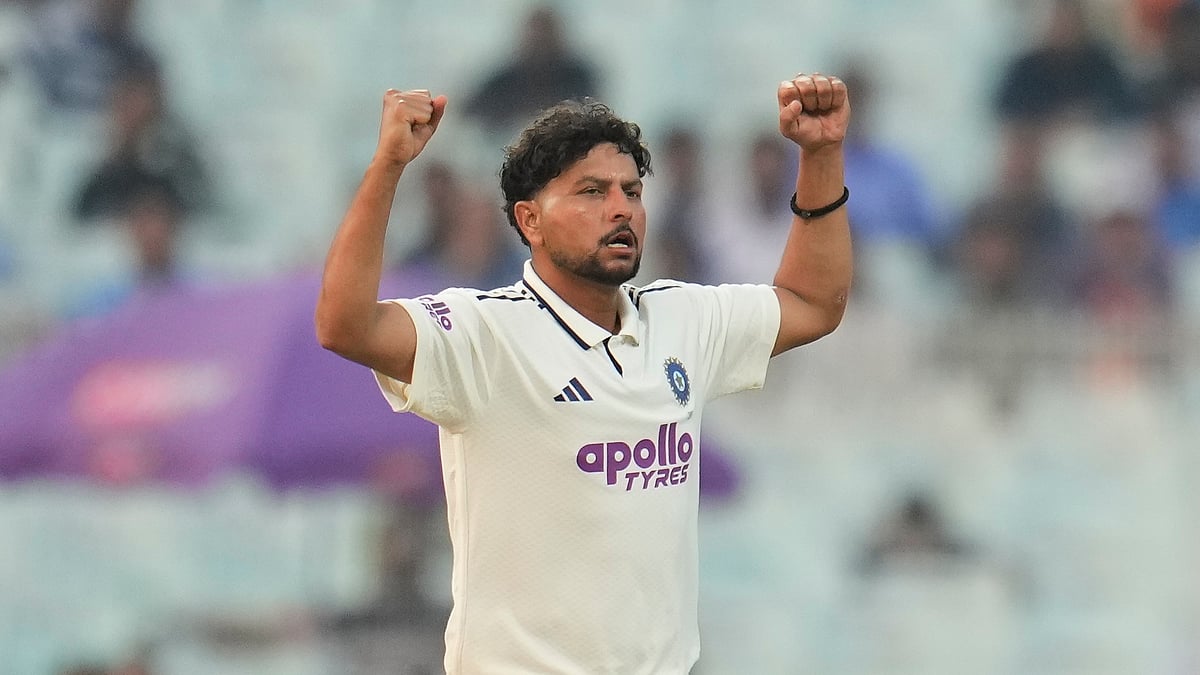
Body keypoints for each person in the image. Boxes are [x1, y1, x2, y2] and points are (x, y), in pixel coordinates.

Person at [315, 73, 853, 672]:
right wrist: (389, 164)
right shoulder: (485, 334)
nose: (621, 208)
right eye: (591, 192)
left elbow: (812, 303)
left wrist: (821, 155)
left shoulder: (684, 320)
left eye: (632, 190)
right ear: (530, 222)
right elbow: (345, 325)